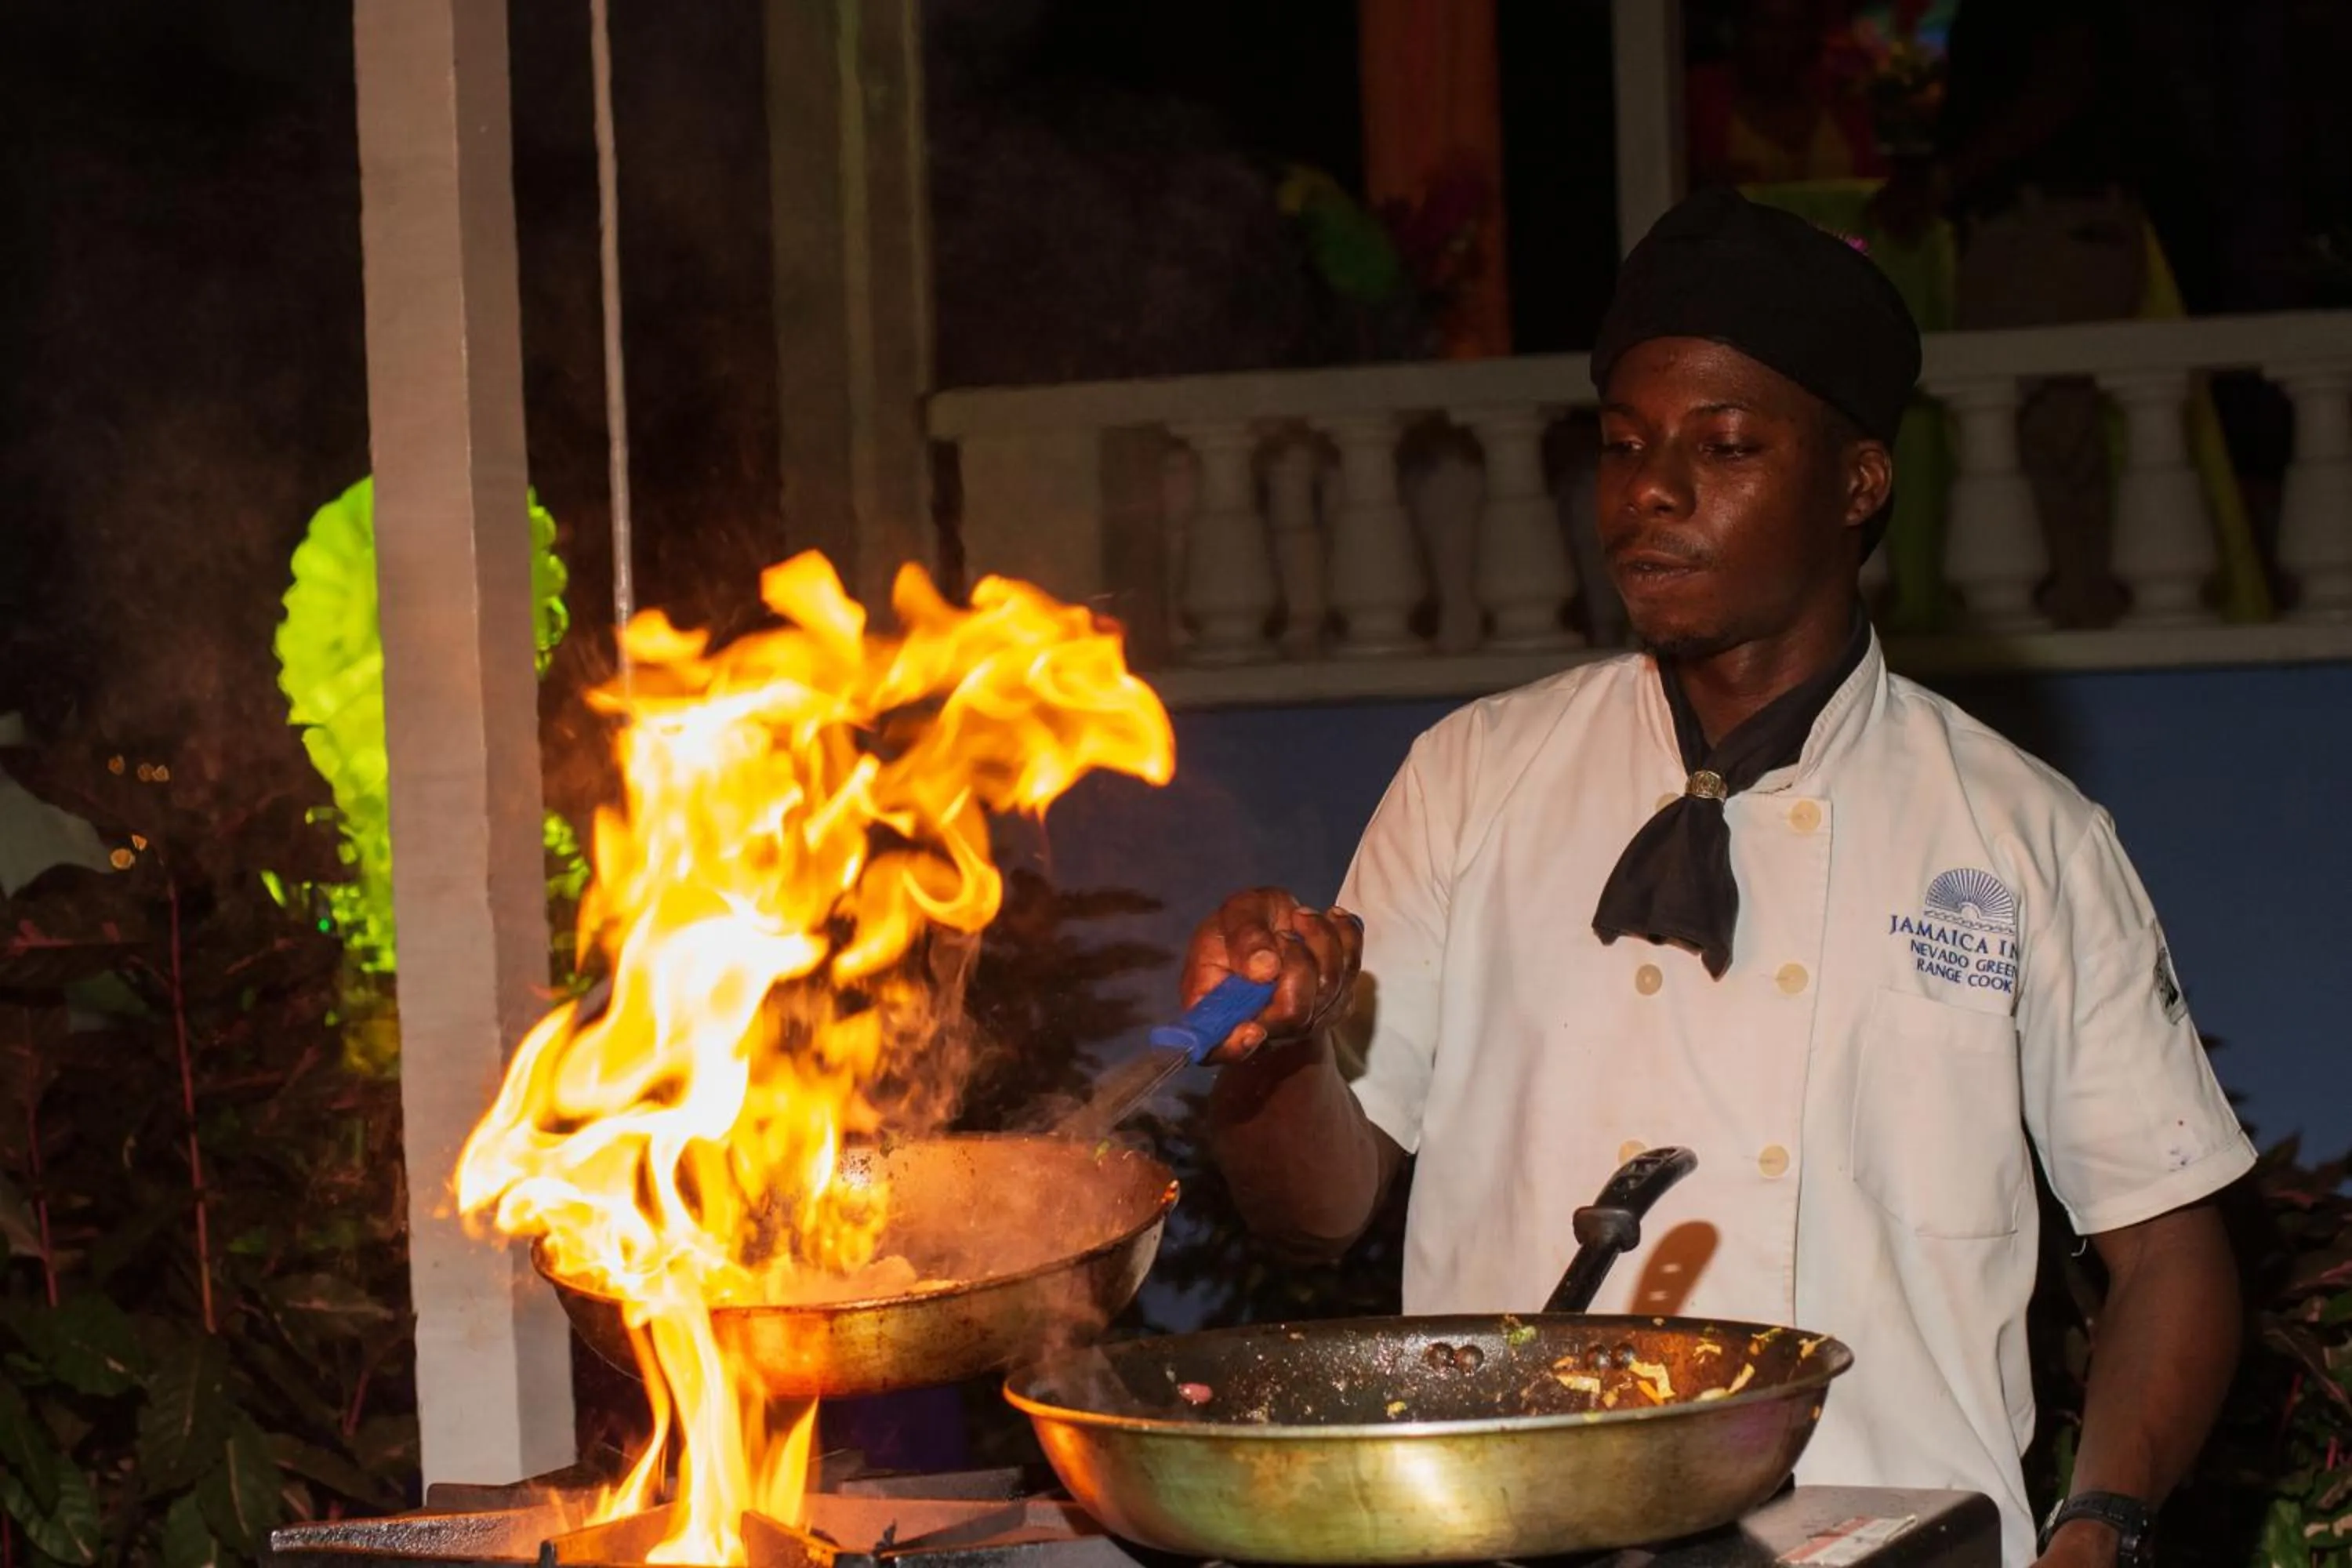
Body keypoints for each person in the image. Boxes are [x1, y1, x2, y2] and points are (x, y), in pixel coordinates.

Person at [1188, 190, 2249, 1568]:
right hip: (1517, 1540)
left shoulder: (2020, 833)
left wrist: (2098, 1523)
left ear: (1858, 485)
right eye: (1625, 447)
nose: (1653, 492)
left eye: (1726, 445)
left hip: (1893, 1539)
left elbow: (2171, 1247)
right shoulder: (1471, 779)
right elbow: (1316, 1211)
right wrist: (1270, 1053)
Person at [1868, 0, 2146, 627]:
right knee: (2046, 436)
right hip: (2041, 228)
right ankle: (2072, 610)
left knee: (2040, 433)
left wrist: (1948, 179)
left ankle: (2069, 620)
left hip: (2045, 229)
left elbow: (2061, 83)